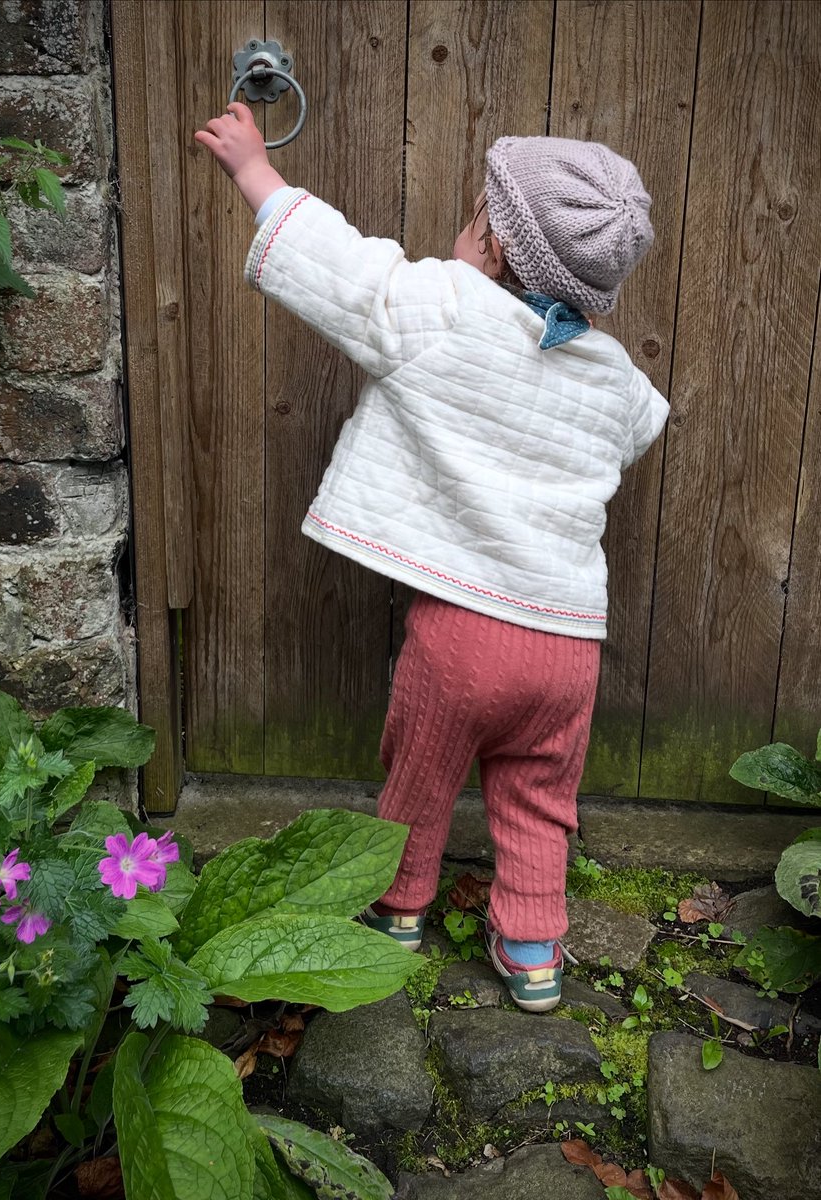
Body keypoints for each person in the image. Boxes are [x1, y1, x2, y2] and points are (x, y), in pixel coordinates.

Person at [195, 104, 668, 1012]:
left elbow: (342, 271)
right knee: (539, 797)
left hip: (462, 638)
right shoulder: (614, 376)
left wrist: (256, 171)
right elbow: (645, 424)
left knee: (418, 775)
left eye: (470, 216)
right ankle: (533, 951)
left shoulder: (443, 310)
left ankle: (397, 909)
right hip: (566, 647)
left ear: (488, 244)